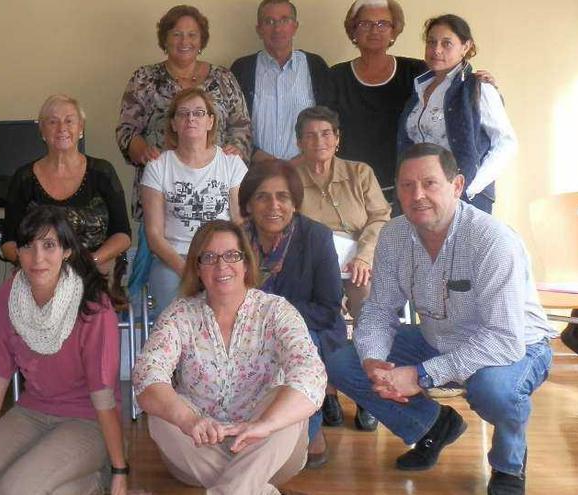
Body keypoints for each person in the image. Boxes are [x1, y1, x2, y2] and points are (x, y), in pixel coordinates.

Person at [326, 143, 556, 495]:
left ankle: (509, 464)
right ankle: (434, 426)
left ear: (457, 185)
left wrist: (420, 375)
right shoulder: (394, 235)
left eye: (429, 183)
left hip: (517, 344)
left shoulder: (491, 240)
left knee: (493, 389)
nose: (417, 195)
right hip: (438, 338)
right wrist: (373, 360)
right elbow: (379, 309)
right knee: (345, 363)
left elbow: (504, 339)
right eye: (406, 185)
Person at [133, 220, 326, 495]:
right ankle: (251, 488)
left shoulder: (276, 311)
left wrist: (264, 425)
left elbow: (311, 374)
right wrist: (189, 421)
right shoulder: (180, 314)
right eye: (209, 257)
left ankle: (235, 487)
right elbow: (146, 377)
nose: (221, 266)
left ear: (246, 263)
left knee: (287, 401)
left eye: (231, 255)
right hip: (199, 448)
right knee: (162, 416)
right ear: (197, 268)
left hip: (269, 447)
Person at [0, 206, 129, 495]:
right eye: (28, 246)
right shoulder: (10, 294)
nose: (38, 258)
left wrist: (121, 468)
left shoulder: (93, 306)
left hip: (87, 420)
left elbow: (104, 395)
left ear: (67, 251)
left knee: (13, 490)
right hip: (32, 411)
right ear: (17, 253)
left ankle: (99, 478)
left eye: (49, 245)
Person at [238, 160, 352, 467]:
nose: (273, 205)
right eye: (262, 196)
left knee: (301, 351)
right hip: (248, 329)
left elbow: (328, 308)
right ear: (248, 203)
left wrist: (275, 317)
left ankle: (307, 428)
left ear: (294, 202)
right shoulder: (236, 240)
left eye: (283, 196)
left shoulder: (316, 237)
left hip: (311, 327)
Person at [331, 1, 495, 205]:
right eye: (365, 23)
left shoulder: (417, 72)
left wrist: (481, 81)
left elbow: (454, 81)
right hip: (353, 187)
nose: (375, 30)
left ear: (394, 31)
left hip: (410, 189)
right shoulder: (335, 76)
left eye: (383, 24)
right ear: (353, 30)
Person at [116, 4, 251, 221]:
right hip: (161, 192)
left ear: (201, 41)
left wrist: (237, 150)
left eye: (192, 35)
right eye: (177, 34)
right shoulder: (144, 78)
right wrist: (142, 151)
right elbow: (126, 131)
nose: (184, 41)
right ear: (165, 40)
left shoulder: (223, 78)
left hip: (218, 195)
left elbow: (242, 126)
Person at [140, 88, 247, 317]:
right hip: (175, 261)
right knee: (177, 321)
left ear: (210, 121)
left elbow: (240, 223)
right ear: (174, 124)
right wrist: (189, 270)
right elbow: (154, 236)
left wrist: (221, 262)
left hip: (223, 258)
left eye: (199, 113)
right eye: (183, 113)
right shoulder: (158, 167)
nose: (191, 119)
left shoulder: (231, 164)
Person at [1, 95, 131, 281]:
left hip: (94, 272)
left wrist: (91, 261)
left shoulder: (103, 172)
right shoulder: (23, 178)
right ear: (42, 131)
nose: (62, 128)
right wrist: (39, 267)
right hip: (39, 276)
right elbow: (8, 244)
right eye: (53, 122)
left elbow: (123, 235)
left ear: (81, 129)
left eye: (69, 121)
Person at [397, 14, 517, 214]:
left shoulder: (476, 88)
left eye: (447, 43)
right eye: (431, 42)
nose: (436, 50)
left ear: (465, 47)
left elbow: (506, 143)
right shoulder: (418, 90)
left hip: (462, 200)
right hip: (420, 200)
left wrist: (469, 188)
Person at [292, 106, 390, 320]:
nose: (319, 141)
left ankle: (368, 351)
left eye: (326, 133)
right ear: (299, 143)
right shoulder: (288, 178)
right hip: (311, 262)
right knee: (318, 309)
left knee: (368, 304)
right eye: (310, 135)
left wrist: (364, 257)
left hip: (358, 257)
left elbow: (380, 217)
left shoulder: (360, 173)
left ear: (337, 138)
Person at [230, 0, 332, 165]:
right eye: (269, 21)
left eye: (284, 20)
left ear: (295, 26)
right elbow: (232, 123)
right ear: (259, 30)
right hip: (255, 172)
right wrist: (255, 155)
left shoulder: (316, 66)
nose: (277, 28)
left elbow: (330, 120)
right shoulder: (242, 69)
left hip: (307, 171)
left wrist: (304, 158)